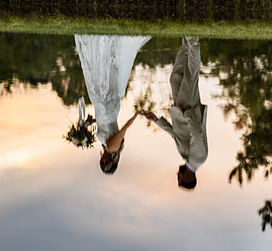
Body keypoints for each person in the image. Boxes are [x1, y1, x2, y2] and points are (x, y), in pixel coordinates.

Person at [74, 34, 151, 174]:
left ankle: (103, 46)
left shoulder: (106, 146)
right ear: (111, 161)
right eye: (104, 162)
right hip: (107, 108)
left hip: (103, 110)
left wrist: (88, 124)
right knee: (102, 80)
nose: (102, 160)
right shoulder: (112, 148)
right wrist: (136, 115)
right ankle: (104, 44)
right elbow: (122, 131)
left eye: (101, 162)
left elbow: (106, 126)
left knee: (100, 78)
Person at [145, 37, 208, 190]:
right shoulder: (199, 159)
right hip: (189, 109)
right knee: (191, 75)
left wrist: (156, 120)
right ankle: (193, 40)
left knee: (175, 78)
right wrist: (188, 114)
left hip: (180, 109)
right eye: (179, 179)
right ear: (188, 178)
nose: (177, 176)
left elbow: (175, 135)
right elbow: (197, 134)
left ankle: (185, 44)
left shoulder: (185, 157)